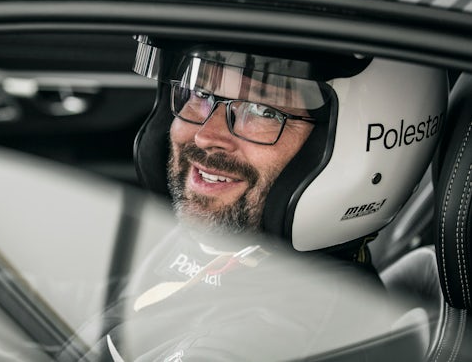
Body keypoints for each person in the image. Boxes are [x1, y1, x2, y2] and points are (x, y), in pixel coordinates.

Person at [72, 35, 448, 361]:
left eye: (263, 110)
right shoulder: (240, 244)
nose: (206, 135)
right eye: (201, 92)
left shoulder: (275, 339)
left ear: (358, 148)